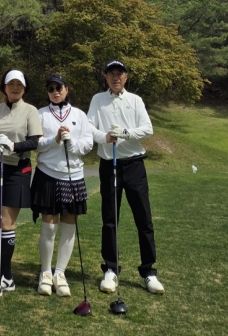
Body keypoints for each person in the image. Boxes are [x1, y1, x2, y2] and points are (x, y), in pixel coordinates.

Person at [87, 59, 165, 295]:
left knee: (144, 219)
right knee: (110, 219)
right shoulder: (97, 100)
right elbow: (88, 127)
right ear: (105, 77)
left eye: (119, 73)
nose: (115, 77)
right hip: (109, 164)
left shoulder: (135, 100)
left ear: (126, 77)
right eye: (111, 73)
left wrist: (126, 133)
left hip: (134, 165)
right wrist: (105, 137)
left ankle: (148, 271)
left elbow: (147, 128)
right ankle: (111, 269)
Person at [0, 69, 43, 303]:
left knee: (6, 223)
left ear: (24, 88)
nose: (15, 88)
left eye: (19, 85)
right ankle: (8, 276)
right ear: (4, 86)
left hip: (18, 170)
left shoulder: (30, 110)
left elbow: (34, 141)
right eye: (10, 84)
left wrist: (13, 146)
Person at [32, 73, 93, 297]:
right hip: (47, 174)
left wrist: (72, 143)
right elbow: (35, 143)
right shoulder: (40, 114)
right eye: (51, 88)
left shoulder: (79, 114)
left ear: (67, 89)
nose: (55, 92)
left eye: (59, 87)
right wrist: (55, 139)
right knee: (49, 227)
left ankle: (60, 273)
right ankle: (45, 272)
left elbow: (88, 143)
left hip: (73, 176)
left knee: (69, 227)